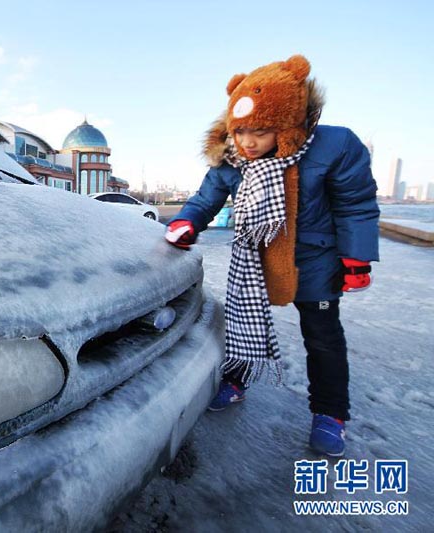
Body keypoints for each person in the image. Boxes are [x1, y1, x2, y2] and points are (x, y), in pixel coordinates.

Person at [164, 55, 379, 457]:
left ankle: (330, 413)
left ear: (287, 123)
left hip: (314, 262)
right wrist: (187, 222)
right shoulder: (231, 160)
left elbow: (355, 204)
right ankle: (237, 378)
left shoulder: (334, 146)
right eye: (241, 131)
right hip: (255, 261)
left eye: (260, 132)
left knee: (323, 339)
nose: (247, 143)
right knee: (244, 323)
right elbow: (207, 197)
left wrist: (356, 258)